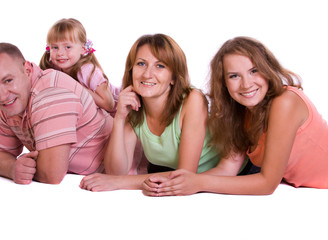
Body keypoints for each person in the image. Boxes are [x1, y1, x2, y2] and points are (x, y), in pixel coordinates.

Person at [144, 36, 328, 196]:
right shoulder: (241, 115)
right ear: (223, 83)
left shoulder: (285, 102)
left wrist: (198, 183)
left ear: (268, 69)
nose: (246, 84)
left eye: (254, 71)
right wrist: (178, 183)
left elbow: (267, 184)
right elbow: (227, 169)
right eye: (234, 76)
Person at [80, 34, 220, 191]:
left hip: (224, 178)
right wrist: (119, 117)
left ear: (173, 77)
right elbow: (116, 172)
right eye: (141, 64)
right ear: (131, 70)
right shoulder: (133, 106)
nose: (147, 74)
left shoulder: (193, 100)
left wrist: (119, 183)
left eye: (160, 66)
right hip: (166, 176)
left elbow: (184, 175)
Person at [0, 42, 115, 184]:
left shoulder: (50, 94)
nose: (2, 95)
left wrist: (28, 167)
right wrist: (13, 168)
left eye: (8, 80)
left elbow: (51, 174)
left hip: (126, 173)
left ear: (28, 71)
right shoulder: (10, 103)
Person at [40, 18, 120, 116]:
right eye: (55, 47)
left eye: (68, 47)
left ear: (82, 49)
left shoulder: (86, 70)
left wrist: (77, 88)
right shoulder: (54, 67)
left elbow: (109, 104)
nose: (60, 53)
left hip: (120, 110)